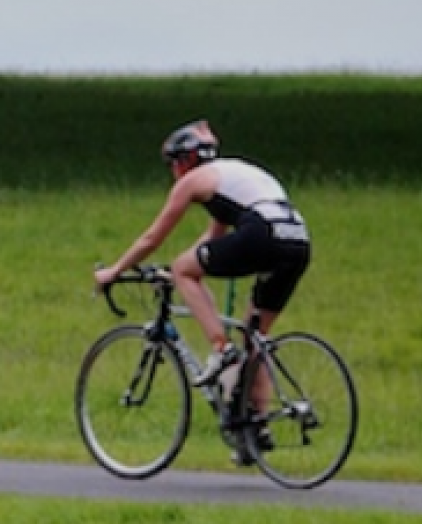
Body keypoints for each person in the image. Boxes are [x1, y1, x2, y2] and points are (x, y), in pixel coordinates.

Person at [92, 120, 311, 458]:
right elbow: (213, 240)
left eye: (173, 164)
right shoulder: (229, 174)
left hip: (262, 233)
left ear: (185, 161)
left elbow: (153, 237)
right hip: (296, 239)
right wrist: (176, 271)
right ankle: (256, 427)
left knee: (185, 270)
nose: (173, 172)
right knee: (255, 337)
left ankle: (220, 348)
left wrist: (115, 271)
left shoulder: (193, 181)